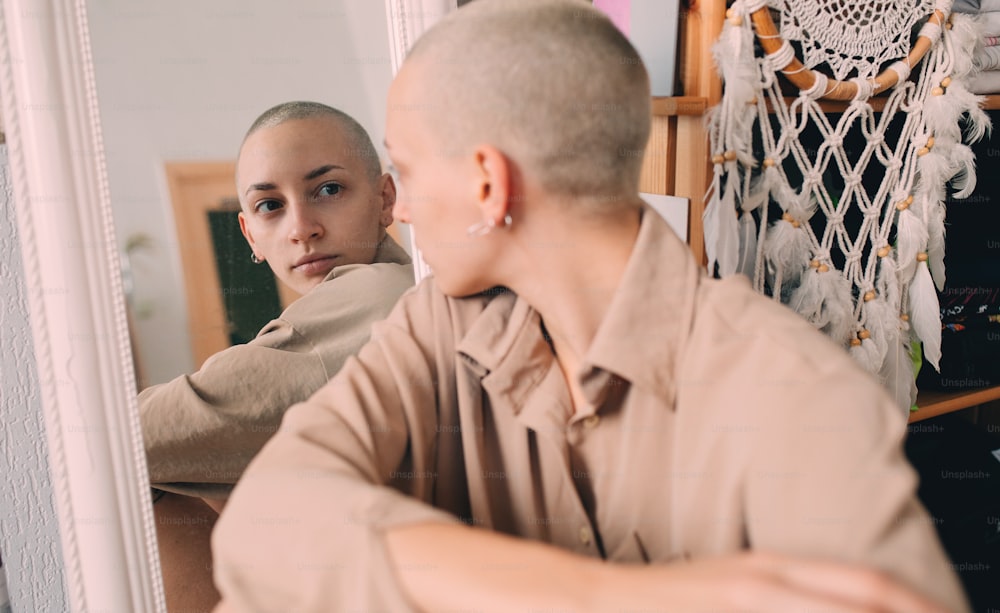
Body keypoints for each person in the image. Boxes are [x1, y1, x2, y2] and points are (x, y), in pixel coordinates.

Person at [211, 3, 968, 612]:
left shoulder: (787, 386)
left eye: (403, 169)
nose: (399, 207)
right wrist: (619, 594)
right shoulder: (435, 323)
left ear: (487, 184)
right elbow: (266, 520)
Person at [139, 101, 413, 610]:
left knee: (137, 484)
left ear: (384, 198)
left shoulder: (377, 295)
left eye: (328, 190)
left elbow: (140, 435)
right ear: (250, 236)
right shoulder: (398, 291)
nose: (301, 227)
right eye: (270, 206)